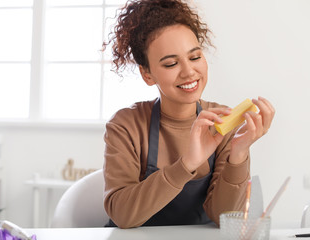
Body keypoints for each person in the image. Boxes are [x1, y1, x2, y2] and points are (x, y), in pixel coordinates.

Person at [102, 0, 275, 229]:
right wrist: (186, 164)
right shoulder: (126, 125)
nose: (188, 71)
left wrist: (239, 154)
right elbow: (123, 215)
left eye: (194, 57)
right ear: (147, 74)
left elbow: (224, 218)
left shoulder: (222, 122)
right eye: (171, 63)